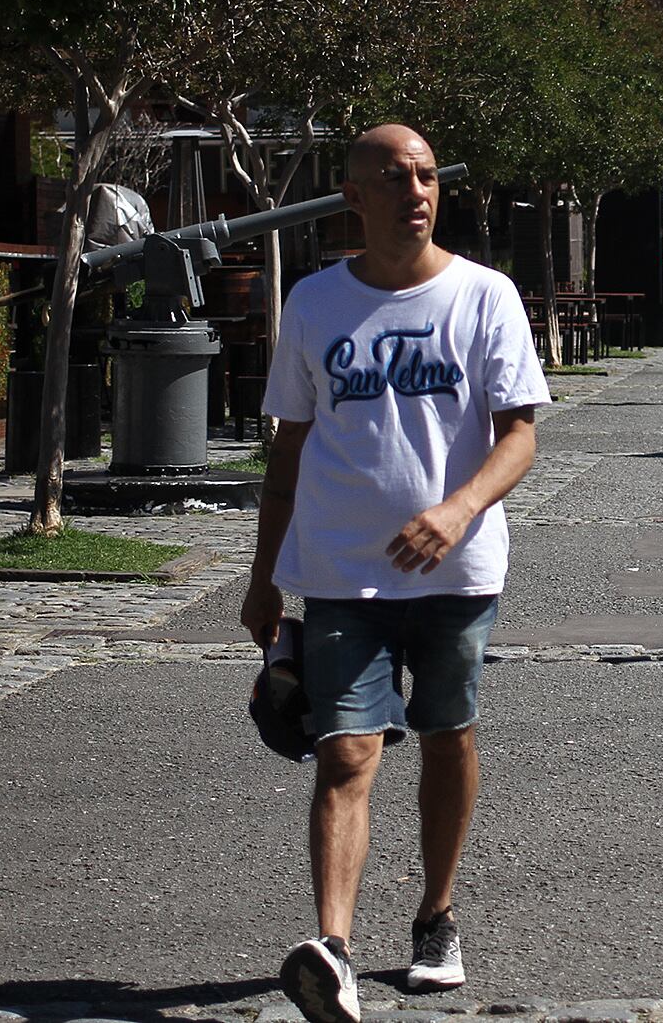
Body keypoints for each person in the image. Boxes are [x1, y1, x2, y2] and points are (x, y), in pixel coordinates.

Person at [243, 125, 549, 1023]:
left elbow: (520, 434)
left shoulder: (485, 295)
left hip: (458, 573)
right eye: (394, 177)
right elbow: (287, 452)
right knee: (344, 750)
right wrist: (264, 575)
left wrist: (458, 510)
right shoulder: (314, 302)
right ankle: (333, 950)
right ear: (354, 197)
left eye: (425, 175)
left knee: (448, 735)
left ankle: (436, 917)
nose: (416, 190)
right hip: (342, 573)